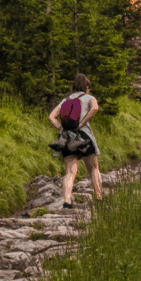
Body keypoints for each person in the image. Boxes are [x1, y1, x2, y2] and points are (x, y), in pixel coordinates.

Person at [48, 74, 103, 209]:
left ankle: (67, 201)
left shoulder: (66, 99)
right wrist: (83, 122)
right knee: (93, 168)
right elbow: (95, 108)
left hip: (66, 138)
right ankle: (99, 197)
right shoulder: (89, 98)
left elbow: (51, 116)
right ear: (86, 87)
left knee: (70, 171)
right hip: (84, 136)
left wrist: (61, 128)